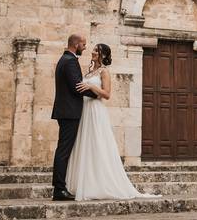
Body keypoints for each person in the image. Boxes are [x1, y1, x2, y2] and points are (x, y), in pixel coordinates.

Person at [66, 42, 159, 201]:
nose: (93, 52)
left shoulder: (104, 72)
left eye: (97, 50)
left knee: (98, 144)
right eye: (94, 49)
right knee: (85, 145)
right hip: (85, 110)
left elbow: (107, 94)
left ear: (103, 55)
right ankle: (86, 182)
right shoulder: (89, 71)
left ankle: (101, 184)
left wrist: (90, 86)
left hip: (96, 110)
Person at [51, 33, 97, 201]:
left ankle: (60, 187)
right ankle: (59, 189)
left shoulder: (65, 59)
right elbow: (77, 87)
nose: (85, 47)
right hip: (69, 112)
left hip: (66, 111)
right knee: (64, 150)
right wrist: (98, 94)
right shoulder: (70, 62)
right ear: (76, 44)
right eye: (83, 44)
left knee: (63, 149)